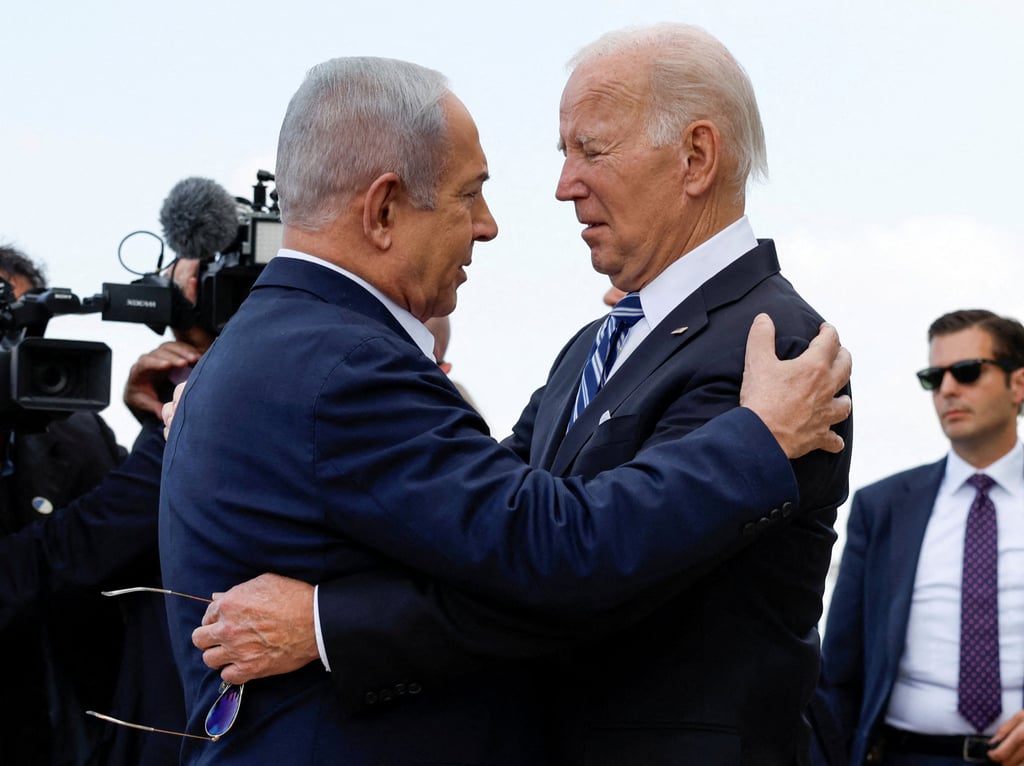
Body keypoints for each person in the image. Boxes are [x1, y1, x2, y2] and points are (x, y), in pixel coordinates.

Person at [158, 52, 850, 765]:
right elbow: (531, 547)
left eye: (591, 149)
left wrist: (326, 623)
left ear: (696, 156)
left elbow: (554, 567)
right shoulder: (356, 363)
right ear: (384, 208)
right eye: (469, 195)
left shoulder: (777, 354)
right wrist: (756, 442)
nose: (557, 189)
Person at [0, 252, 211, 765]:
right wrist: (181, 426)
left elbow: (138, 539)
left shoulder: (75, 431)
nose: (11, 349)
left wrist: (164, 415)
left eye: (24, 326)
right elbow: (54, 557)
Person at [819, 309, 1024, 766]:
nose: (948, 389)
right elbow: (840, 670)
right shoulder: (883, 507)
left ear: (1018, 385)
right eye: (935, 377)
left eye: (968, 372)